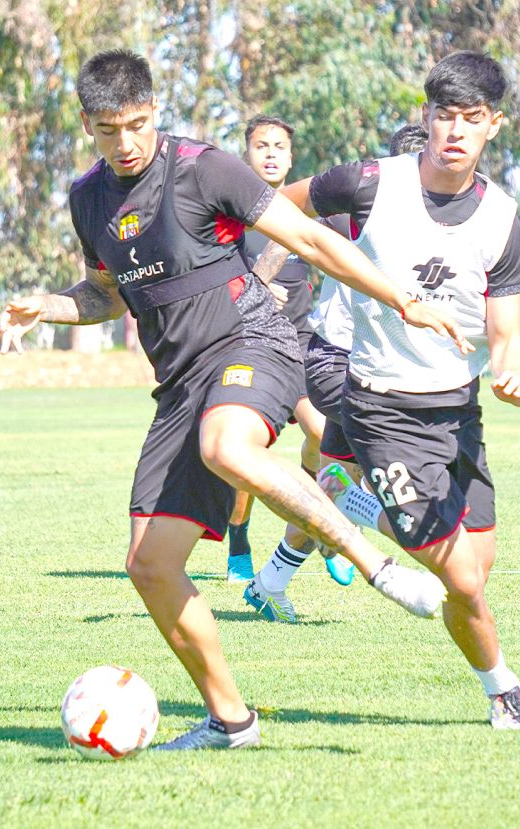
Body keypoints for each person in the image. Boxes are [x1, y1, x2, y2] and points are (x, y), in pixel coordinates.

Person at [0, 49, 470, 750]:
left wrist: (403, 300)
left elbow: (308, 237)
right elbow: (105, 294)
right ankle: (231, 721)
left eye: (135, 125)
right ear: (88, 125)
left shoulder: (203, 167)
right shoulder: (87, 197)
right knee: (150, 565)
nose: (124, 143)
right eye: (107, 130)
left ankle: (377, 565)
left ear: (153, 112)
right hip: (180, 385)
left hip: (254, 342)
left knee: (226, 445)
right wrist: (47, 306)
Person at [281, 51, 520, 730]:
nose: (456, 130)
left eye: (472, 118)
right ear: (425, 117)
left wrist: (512, 367)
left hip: (459, 415)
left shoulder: (501, 218)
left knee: (474, 573)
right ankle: (508, 693)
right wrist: (251, 273)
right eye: (445, 115)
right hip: (382, 409)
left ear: (494, 125)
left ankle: (350, 497)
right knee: (463, 578)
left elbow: (507, 330)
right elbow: (272, 206)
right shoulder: (369, 182)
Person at [245, 123, 430, 618]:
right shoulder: (360, 208)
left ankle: (269, 582)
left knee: (334, 480)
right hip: (340, 364)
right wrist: (257, 284)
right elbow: (286, 220)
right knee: (388, 480)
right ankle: (361, 518)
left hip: (381, 368)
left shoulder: (438, 221)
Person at [225, 115, 332, 587]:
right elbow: (214, 279)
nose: (270, 153)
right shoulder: (230, 218)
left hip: (302, 345)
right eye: (261, 145)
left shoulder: (306, 215)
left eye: (279, 147)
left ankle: (315, 526)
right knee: (249, 453)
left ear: (291, 157)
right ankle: (238, 541)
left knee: (323, 434)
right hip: (251, 344)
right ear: (247, 153)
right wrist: (255, 289)